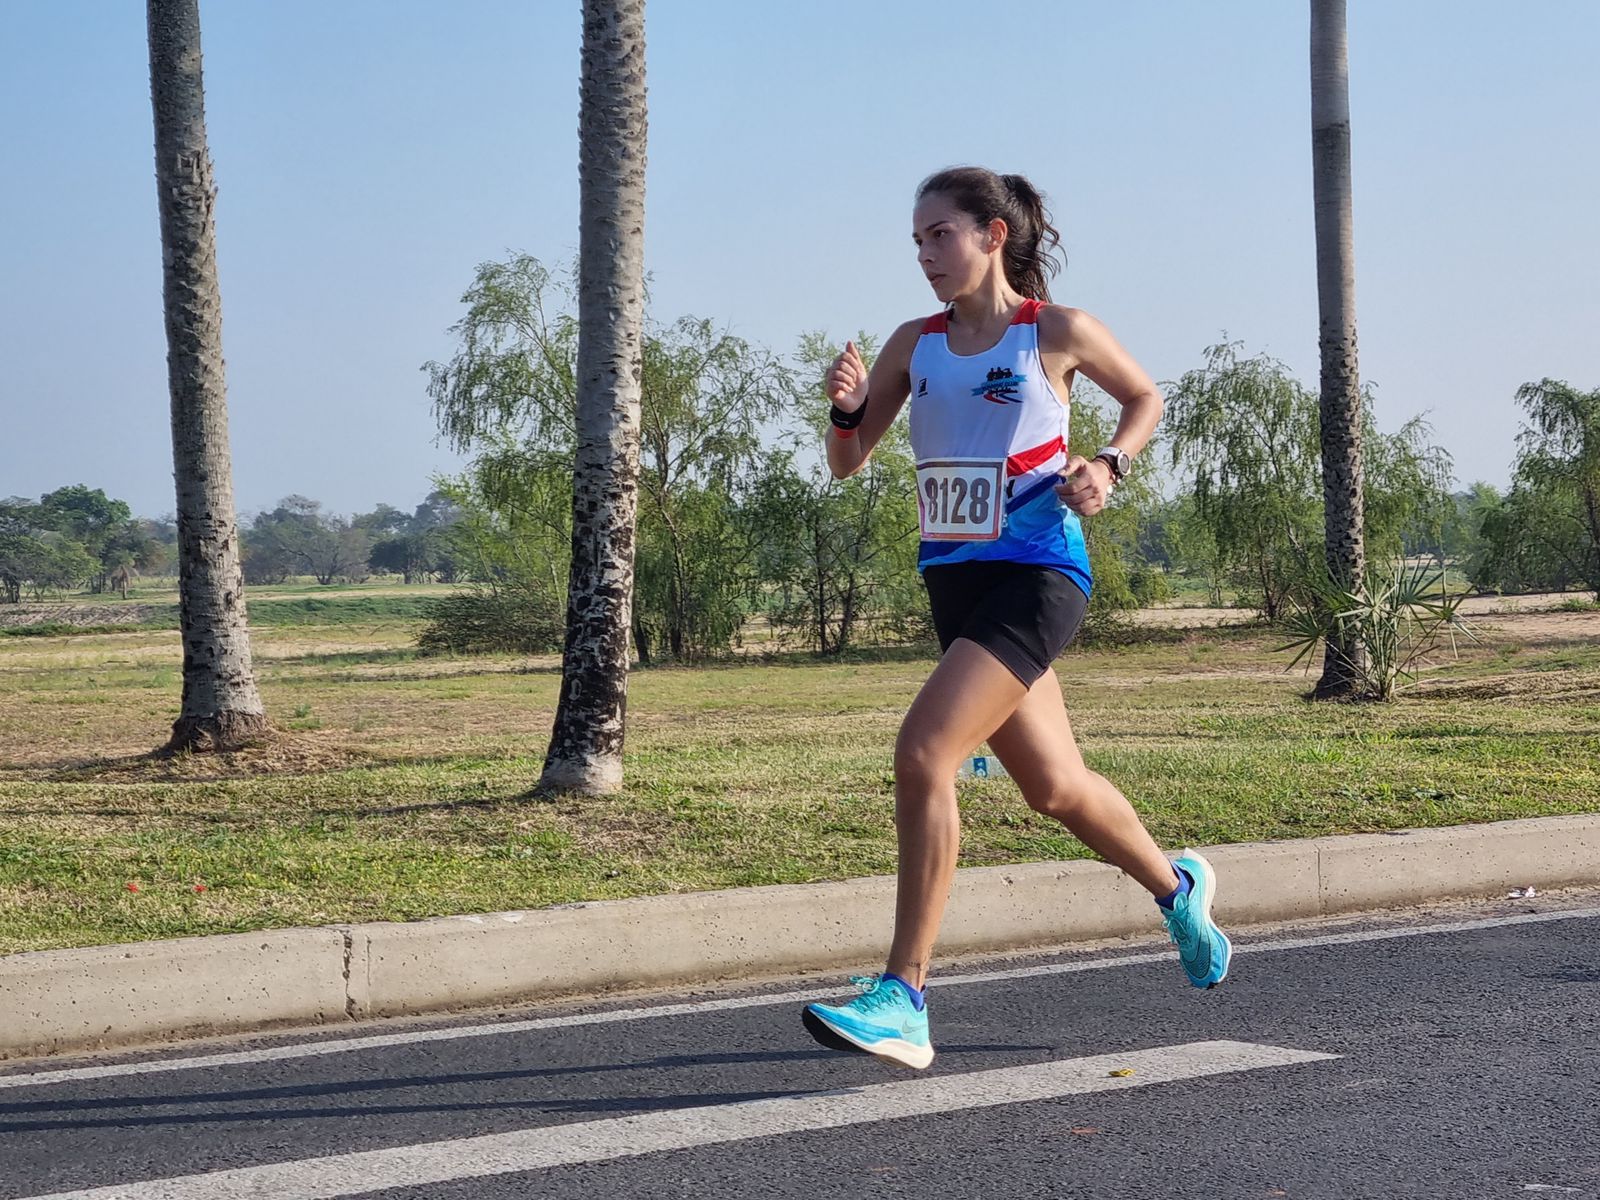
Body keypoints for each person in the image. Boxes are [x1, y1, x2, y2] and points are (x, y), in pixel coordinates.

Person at [801, 167, 1231, 1071]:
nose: (924, 255)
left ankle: (904, 998)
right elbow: (848, 461)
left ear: (994, 235)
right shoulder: (912, 346)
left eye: (939, 235)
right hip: (955, 585)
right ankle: (1176, 885)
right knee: (1054, 788)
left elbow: (1145, 397)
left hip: (1039, 574)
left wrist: (1108, 464)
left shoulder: (1055, 332)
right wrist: (843, 408)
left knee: (923, 752)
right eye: (915, 241)